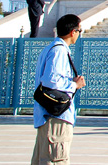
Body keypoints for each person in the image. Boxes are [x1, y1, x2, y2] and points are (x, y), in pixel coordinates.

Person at [31, 14, 86, 164]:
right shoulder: (59, 50)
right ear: (72, 32)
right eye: (79, 31)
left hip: (47, 118)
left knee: (43, 159)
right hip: (55, 119)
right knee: (55, 159)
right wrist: (75, 85)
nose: (79, 35)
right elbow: (51, 80)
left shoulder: (51, 48)